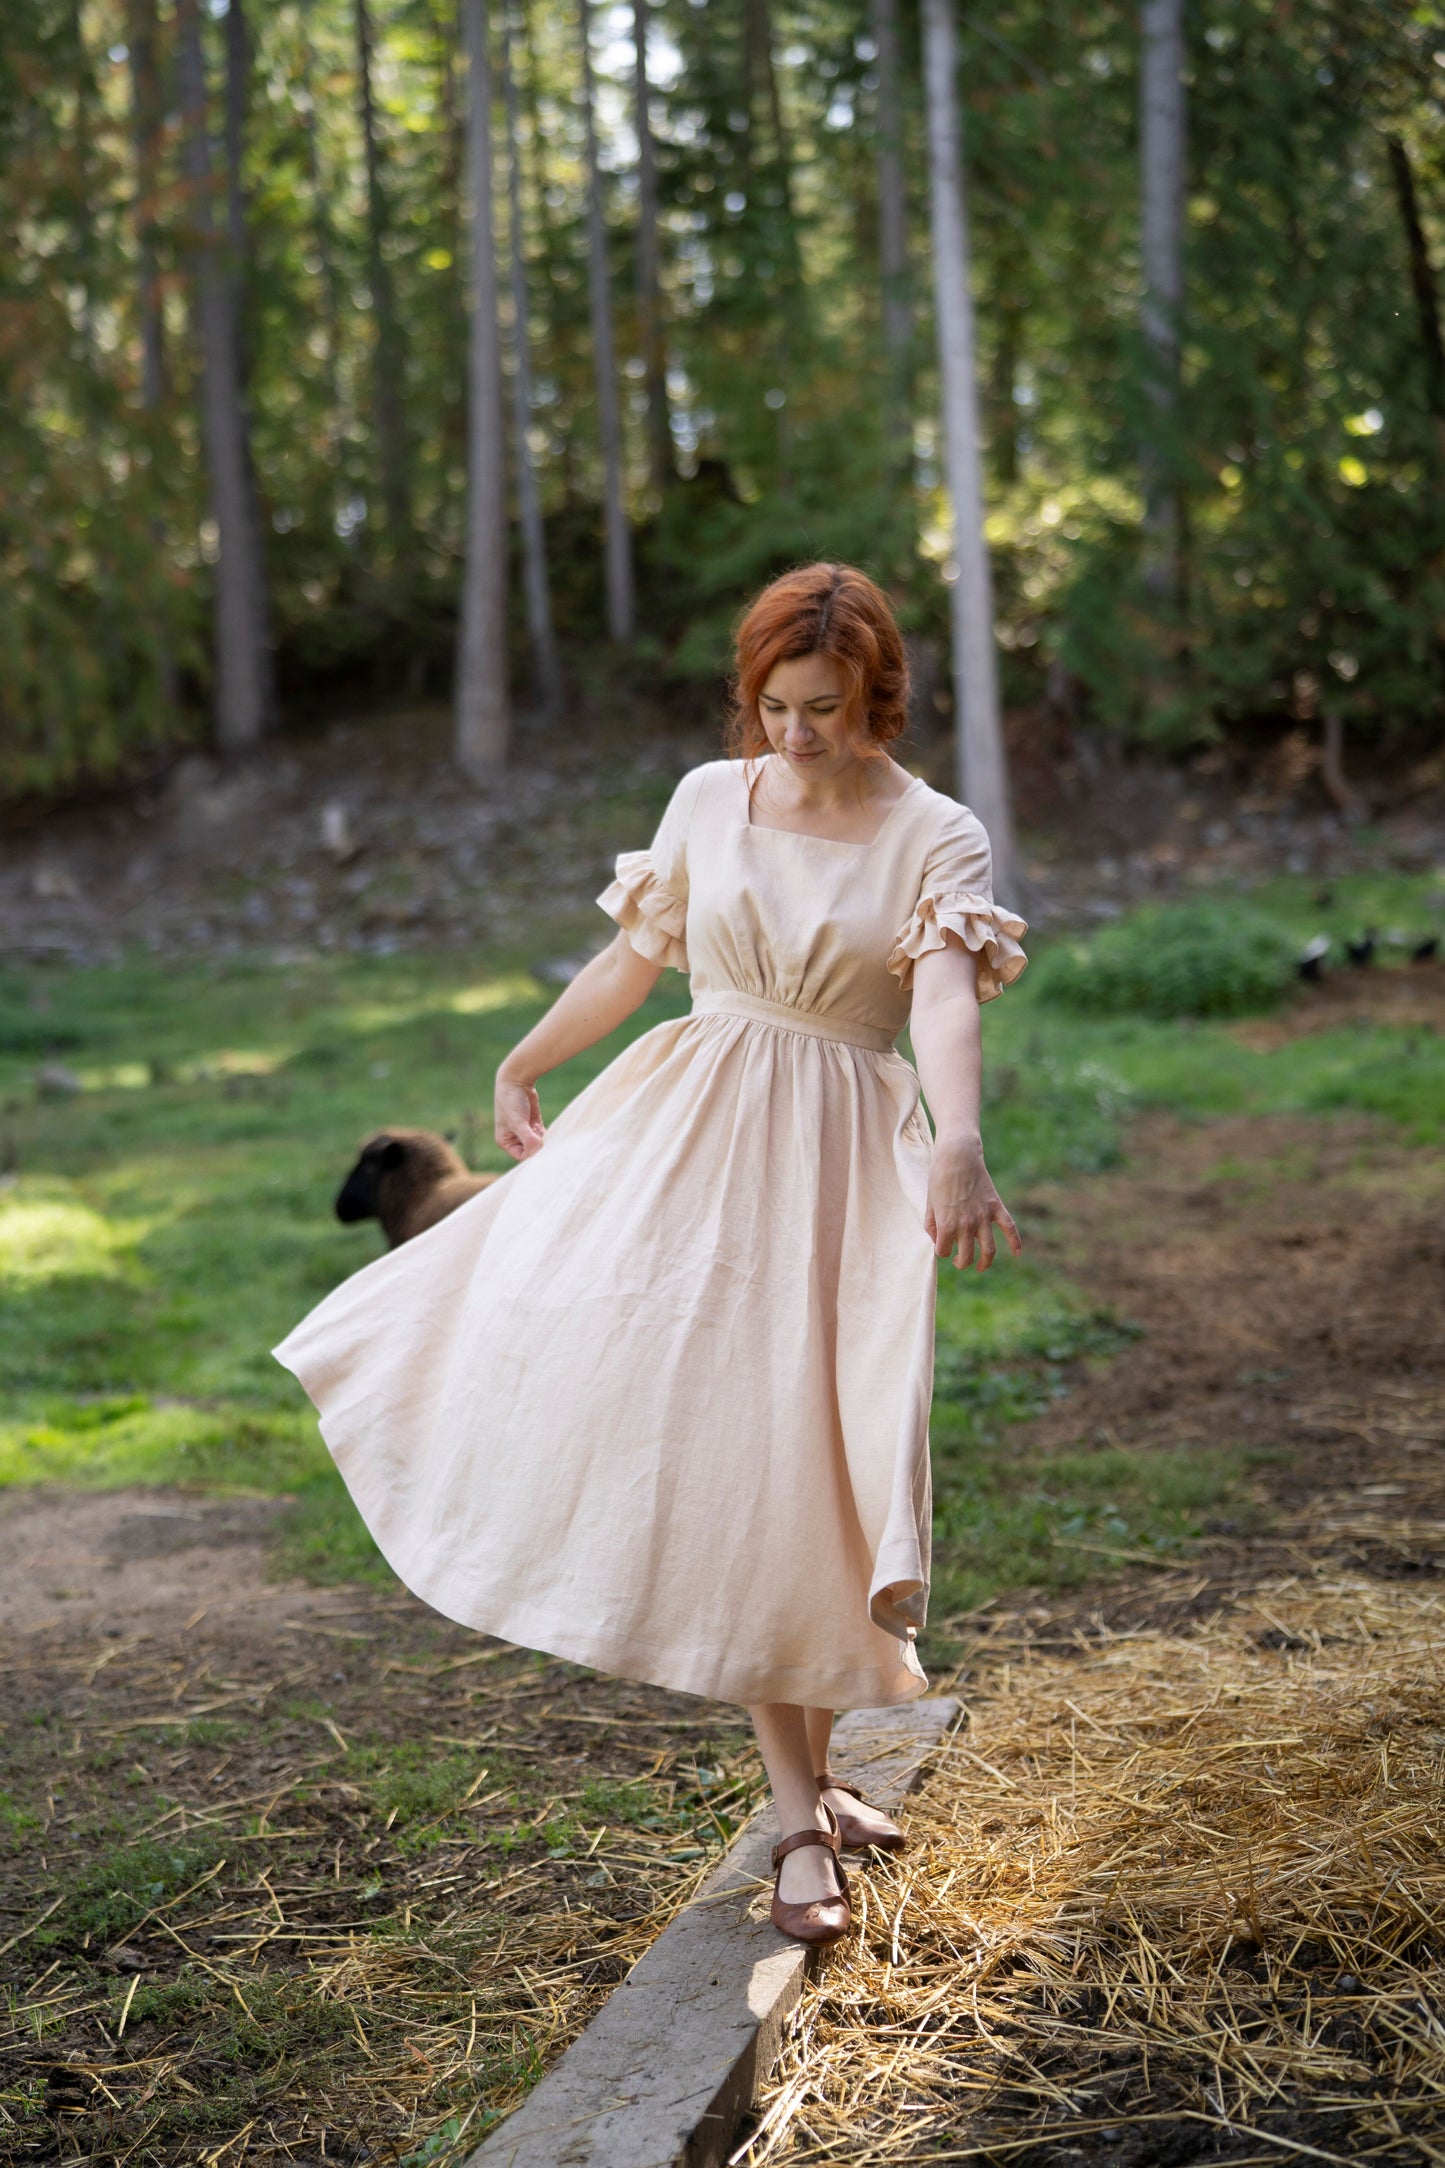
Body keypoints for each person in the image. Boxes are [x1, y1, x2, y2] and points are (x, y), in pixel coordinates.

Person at [272, 562, 1026, 1947]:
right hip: (690, 1135)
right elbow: (630, 963)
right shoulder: (703, 799)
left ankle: (811, 1789)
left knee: (814, 1467)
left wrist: (958, 1142)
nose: (794, 734)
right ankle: (801, 1819)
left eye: (826, 708)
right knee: (737, 1457)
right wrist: (523, 1056)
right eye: (774, 706)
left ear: (879, 696)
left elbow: (937, 1001)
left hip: (847, 1162)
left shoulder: (937, 831)